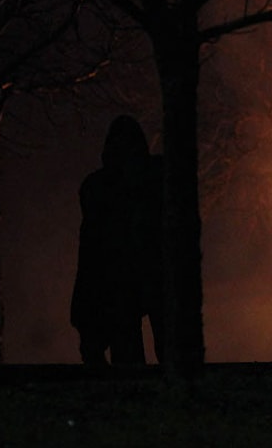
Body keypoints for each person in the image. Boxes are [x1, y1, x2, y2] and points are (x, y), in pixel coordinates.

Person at [71, 115, 164, 366]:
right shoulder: (156, 178)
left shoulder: (97, 187)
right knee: (163, 349)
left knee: (127, 355)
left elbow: (90, 249)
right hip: (144, 274)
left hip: (119, 278)